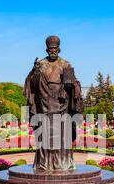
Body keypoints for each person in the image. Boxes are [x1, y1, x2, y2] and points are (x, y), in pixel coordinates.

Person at [24, 35, 84, 171]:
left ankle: (63, 163)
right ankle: (44, 165)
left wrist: (72, 85)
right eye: (50, 49)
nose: (53, 51)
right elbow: (32, 87)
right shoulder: (40, 64)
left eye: (55, 49)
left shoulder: (65, 64)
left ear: (59, 49)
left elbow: (73, 85)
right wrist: (34, 73)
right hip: (44, 106)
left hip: (62, 106)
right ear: (46, 49)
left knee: (62, 138)